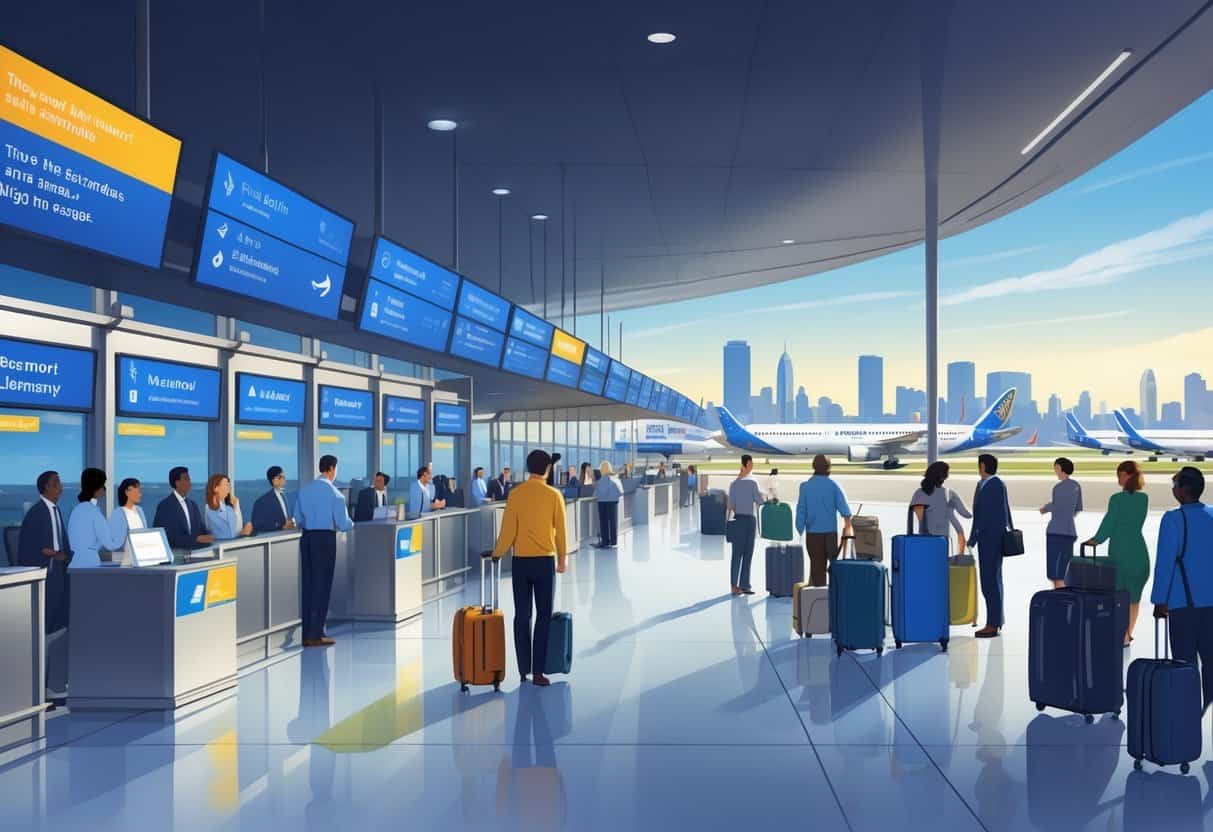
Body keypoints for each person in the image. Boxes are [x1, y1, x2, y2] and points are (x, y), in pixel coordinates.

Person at [491, 449, 568, 687]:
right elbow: (561, 532)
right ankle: (538, 673)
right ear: (547, 469)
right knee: (543, 616)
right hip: (545, 562)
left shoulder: (516, 494)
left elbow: (508, 531)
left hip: (521, 563)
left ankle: (523, 670)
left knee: (522, 615)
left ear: (527, 467)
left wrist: (496, 553)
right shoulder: (554, 495)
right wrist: (562, 560)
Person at [1152, 467, 1213, 710]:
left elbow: (1165, 563)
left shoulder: (1173, 520)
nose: (1173, 488)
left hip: (1183, 604)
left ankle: (1186, 714)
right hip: (1211, 602)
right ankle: (1207, 709)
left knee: (1185, 663)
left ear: (1184, 490)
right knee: (1210, 660)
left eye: (1175, 483)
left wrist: (1160, 600)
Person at [17, 470, 72, 703]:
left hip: (59, 574)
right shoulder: (36, 513)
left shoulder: (56, 510)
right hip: (44, 577)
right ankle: (37, 689)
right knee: (43, 630)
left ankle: (53, 684)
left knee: (59, 628)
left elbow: (61, 543)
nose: (60, 487)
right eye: (57, 484)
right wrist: (52, 555)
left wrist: (64, 556)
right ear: (47, 487)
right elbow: (32, 549)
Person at [1085, 460, 1149, 647]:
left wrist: (1095, 540)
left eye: (1120, 474)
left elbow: (1109, 524)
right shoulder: (1144, 498)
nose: (1118, 478)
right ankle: (1127, 635)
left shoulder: (1117, 499)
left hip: (1121, 552)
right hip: (1138, 552)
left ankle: (1120, 632)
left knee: (1119, 597)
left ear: (1127, 475)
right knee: (1134, 598)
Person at [294, 455, 354, 647]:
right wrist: (352, 523)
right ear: (331, 469)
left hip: (307, 538)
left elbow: (298, 519)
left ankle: (306, 633)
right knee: (322, 586)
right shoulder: (335, 494)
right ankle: (316, 634)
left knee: (309, 585)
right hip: (325, 540)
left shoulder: (304, 491)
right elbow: (344, 525)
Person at [795, 455, 854, 587]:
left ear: (813, 467)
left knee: (817, 569)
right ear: (828, 468)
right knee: (833, 566)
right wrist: (847, 525)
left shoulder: (805, 487)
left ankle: (818, 598)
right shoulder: (833, 486)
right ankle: (833, 596)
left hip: (813, 535)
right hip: (830, 535)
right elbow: (845, 510)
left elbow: (801, 511)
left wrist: (799, 529)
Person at [970, 453, 1010, 638]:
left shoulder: (995, 485)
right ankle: (995, 621)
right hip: (985, 539)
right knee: (991, 580)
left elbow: (998, 515)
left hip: (992, 539)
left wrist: (979, 535)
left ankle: (993, 623)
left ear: (983, 466)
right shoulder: (983, 485)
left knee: (990, 581)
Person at [1040, 457, 1083, 588]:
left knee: (1054, 570)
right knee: (1065, 568)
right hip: (1069, 531)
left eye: (1056, 468)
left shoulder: (1058, 487)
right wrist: (1067, 517)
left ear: (1060, 469)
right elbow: (1078, 508)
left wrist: (1045, 508)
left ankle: (1057, 596)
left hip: (1055, 531)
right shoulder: (1076, 486)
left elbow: (1056, 505)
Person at [910, 461, 971, 552]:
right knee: (941, 564)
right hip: (942, 539)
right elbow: (966, 514)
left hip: (923, 539)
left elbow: (919, 518)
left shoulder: (918, 493)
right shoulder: (949, 494)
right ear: (944, 477)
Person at [727, 454, 764, 596]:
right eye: (752, 463)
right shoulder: (752, 484)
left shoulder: (734, 484)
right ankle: (745, 585)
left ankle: (734, 586)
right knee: (748, 555)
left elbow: (730, 505)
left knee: (736, 555)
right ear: (748, 463)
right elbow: (760, 501)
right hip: (749, 521)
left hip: (738, 520)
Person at [153, 467, 214, 550]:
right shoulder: (165, 506)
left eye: (189, 479)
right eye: (186, 479)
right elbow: (166, 537)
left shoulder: (193, 505)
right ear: (177, 483)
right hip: (177, 556)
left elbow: (201, 529)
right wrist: (195, 539)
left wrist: (210, 536)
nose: (190, 483)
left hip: (197, 554)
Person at [205, 474, 254, 540]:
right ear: (215, 488)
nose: (229, 488)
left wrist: (236, 507)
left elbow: (237, 529)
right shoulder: (209, 509)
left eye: (229, 485)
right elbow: (230, 534)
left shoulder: (228, 509)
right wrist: (243, 533)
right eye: (226, 485)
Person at [109, 478, 148, 555]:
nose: (140, 494)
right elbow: (116, 542)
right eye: (138, 491)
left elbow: (145, 532)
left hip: (141, 554)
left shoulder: (139, 510)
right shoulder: (118, 513)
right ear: (127, 492)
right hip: (126, 557)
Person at [251, 466, 296, 533]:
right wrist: (281, 526)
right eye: (280, 477)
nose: (284, 479)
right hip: (273, 537)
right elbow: (257, 523)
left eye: (284, 477)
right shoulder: (262, 501)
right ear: (273, 480)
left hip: (289, 533)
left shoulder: (285, 496)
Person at [593, 461, 623, 548]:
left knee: (603, 522)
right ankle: (613, 542)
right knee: (613, 522)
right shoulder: (615, 479)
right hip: (613, 502)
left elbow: (595, 494)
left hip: (601, 503)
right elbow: (621, 492)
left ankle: (605, 541)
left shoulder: (599, 481)